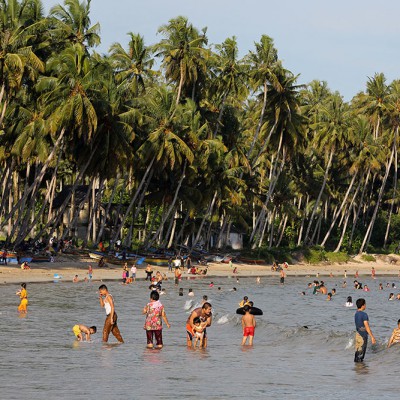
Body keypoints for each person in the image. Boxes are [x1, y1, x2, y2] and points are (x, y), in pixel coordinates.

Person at [354, 298, 376, 362]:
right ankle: (361, 369)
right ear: (363, 305)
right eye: (365, 304)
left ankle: (357, 368)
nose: (365, 306)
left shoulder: (356, 314)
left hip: (358, 334)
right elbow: (366, 326)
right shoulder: (364, 314)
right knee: (361, 354)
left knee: (357, 352)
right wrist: (372, 337)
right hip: (363, 336)